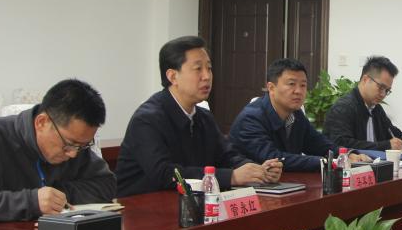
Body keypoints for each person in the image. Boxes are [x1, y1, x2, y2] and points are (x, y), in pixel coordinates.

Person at [0, 79, 116, 227]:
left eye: (82, 146)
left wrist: (58, 196)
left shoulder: (74, 146)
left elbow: (106, 184)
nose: (73, 155)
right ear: (42, 122)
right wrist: (31, 201)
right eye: (69, 144)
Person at [115, 36, 281, 197]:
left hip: (189, 203)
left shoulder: (204, 117)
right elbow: (164, 173)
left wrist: (256, 170)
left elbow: (227, 156)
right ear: (173, 76)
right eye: (198, 69)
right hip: (142, 207)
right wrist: (231, 177)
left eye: (209, 68)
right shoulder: (147, 120)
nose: (207, 76)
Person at [229, 58, 369, 172]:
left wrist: (347, 154)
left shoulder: (296, 114)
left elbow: (318, 143)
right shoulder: (251, 118)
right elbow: (273, 158)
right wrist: (328, 162)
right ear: (271, 87)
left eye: (303, 85)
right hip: (247, 189)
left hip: (283, 184)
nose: (298, 91)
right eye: (291, 84)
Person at [322, 55, 402, 152]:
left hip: (374, 166)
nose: (383, 94)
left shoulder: (376, 109)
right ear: (365, 80)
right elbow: (340, 144)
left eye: (387, 90)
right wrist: (386, 145)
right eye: (381, 87)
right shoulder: (343, 107)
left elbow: (397, 135)